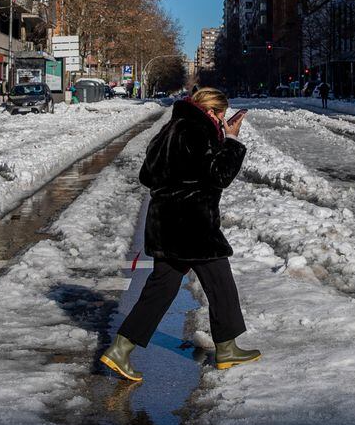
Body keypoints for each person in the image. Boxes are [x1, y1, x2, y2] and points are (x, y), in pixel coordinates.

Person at [101, 87, 259, 382]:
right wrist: (233, 141)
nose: (223, 120)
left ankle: (120, 350)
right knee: (221, 284)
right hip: (193, 225)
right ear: (211, 111)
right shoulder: (199, 130)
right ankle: (226, 349)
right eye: (222, 115)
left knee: (160, 290)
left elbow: (146, 176)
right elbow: (219, 176)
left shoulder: (169, 129)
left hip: (164, 224)